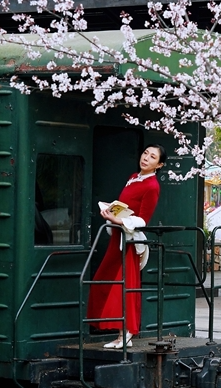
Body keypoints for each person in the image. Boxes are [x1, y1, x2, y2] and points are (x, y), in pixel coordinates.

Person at [87, 144, 166, 349]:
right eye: (145, 153)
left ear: (159, 164)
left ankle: (126, 333)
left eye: (152, 156)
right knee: (104, 280)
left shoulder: (152, 186)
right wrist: (112, 214)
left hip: (129, 240)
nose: (146, 158)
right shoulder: (133, 177)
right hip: (118, 235)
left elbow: (143, 220)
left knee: (124, 285)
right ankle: (121, 334)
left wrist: (118, 220)